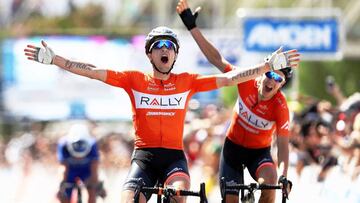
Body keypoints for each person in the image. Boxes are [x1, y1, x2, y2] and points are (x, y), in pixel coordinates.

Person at [24, 25, 298, 203]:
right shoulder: (133, 79)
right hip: (144, 157)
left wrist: (265, 67)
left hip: (173, 159)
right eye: (159, 46)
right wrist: (56, 60)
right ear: (150, 55)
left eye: (170, 46)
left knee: (179, 196)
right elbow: (92, 71)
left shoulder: (187, 81)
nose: (165, 50)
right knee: (129, 199)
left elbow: (231, 78)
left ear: (175, 56)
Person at [176, 1, 299, 202]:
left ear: (281, 86)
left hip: (259, 154)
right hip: (232, 149)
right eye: (269, 74)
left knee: (271, 180)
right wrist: (193, 28)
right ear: (262, 72)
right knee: (231, 200)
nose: (271, 80)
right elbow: (216, 59)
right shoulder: (246, 80)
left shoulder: (280, 106)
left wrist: (284, 174)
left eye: (278, 79)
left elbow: (284, 146)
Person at [57, 123, 106, 203]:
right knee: (63, 194)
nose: (79, 158)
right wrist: (61, 184)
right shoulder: (63, 144)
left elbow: (94, 168)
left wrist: (96, 184)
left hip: (86, 171)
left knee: (92, 191)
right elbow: (63, 167)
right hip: (70, 171)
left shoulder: (93, 144)